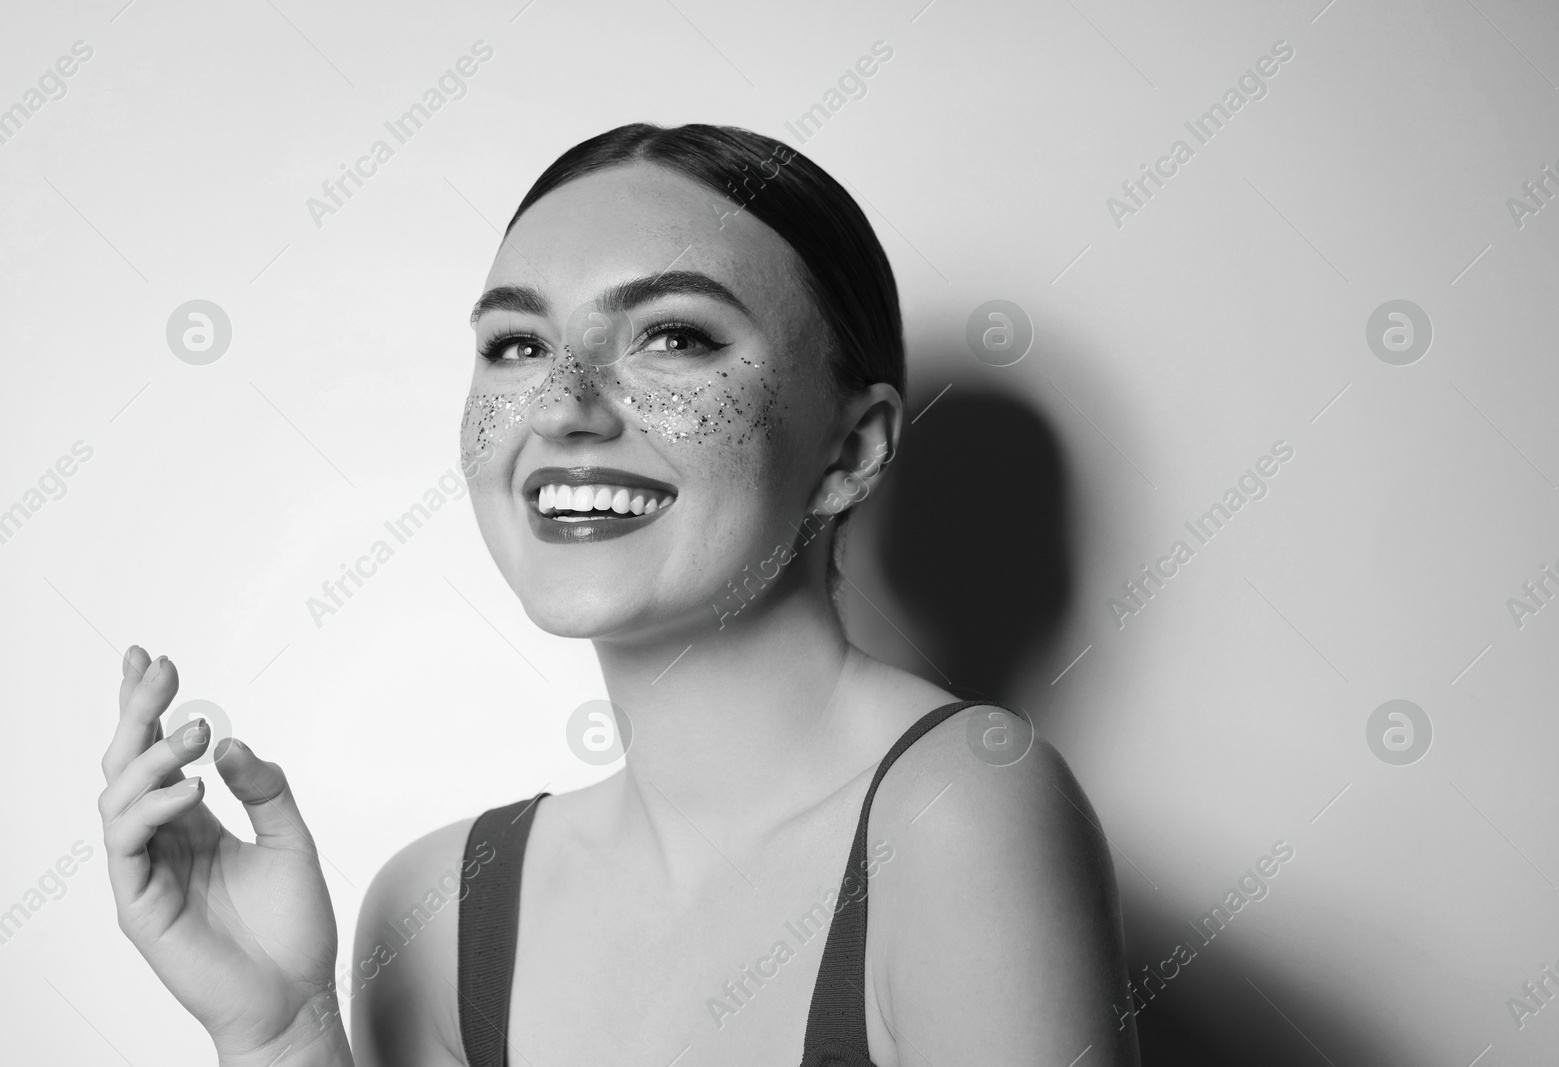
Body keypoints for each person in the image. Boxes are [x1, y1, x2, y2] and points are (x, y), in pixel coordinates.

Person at [97, 123, 1138, 1067]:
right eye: (518, 344)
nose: (563, 407)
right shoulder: (438, 909)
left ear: (852, 448)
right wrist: (281, 1033)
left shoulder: (962, 809)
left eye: (673, 335)